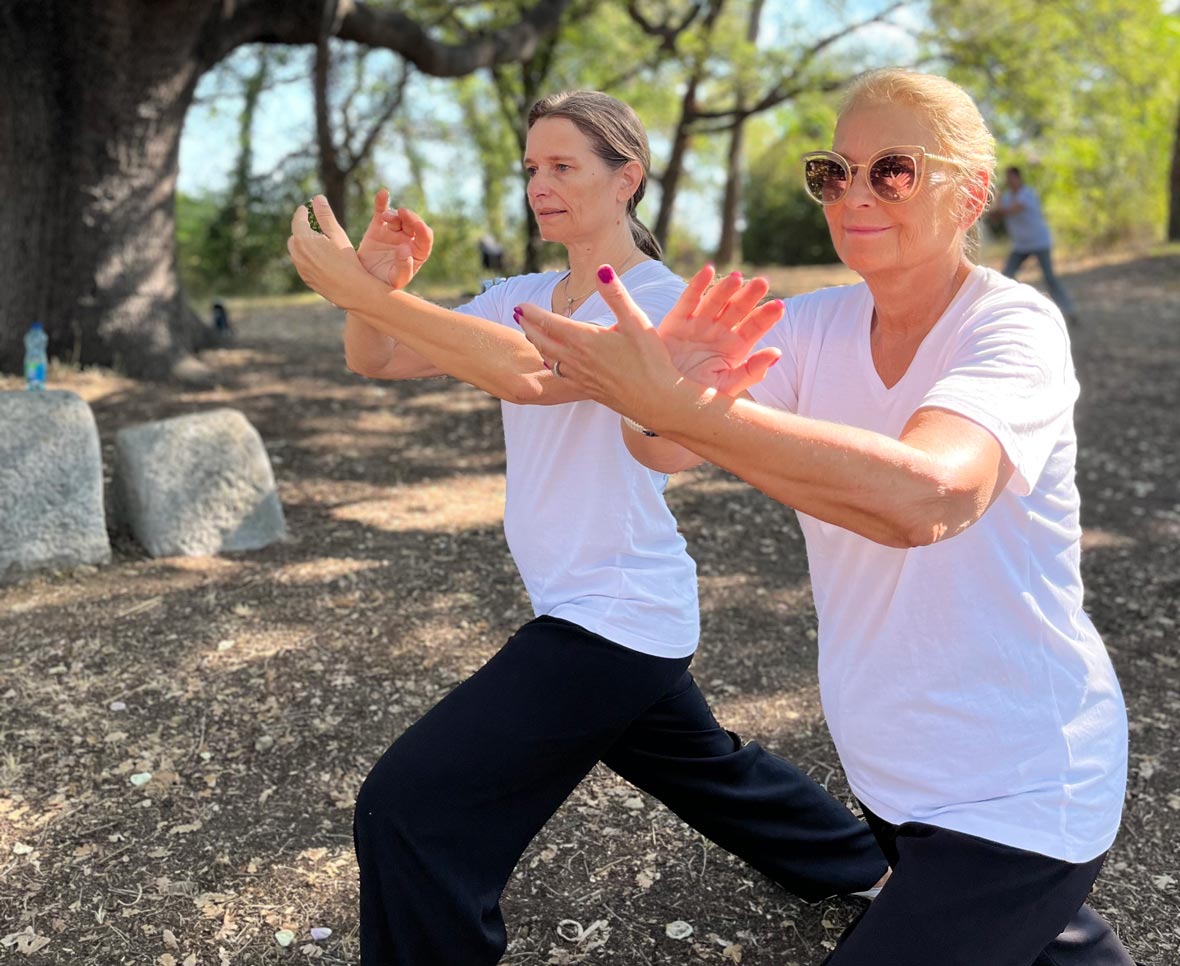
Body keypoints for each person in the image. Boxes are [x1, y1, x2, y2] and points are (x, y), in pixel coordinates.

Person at [515, 69, 1133, 966]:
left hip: (1022, 786)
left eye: (892, 170)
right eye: (832, 173)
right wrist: (664, 391)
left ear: (973, 195)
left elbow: (930, 497)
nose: (854, 194)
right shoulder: (810, 326)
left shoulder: (1013, 329)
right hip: (894, 770)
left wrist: (687, 408)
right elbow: (666, 451)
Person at [287, 90, 887, 966]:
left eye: (564, 166)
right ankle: (869, 869)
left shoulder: (654, 303)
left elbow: (533, 372)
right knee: (713, 774)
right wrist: (374, 291)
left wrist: (352, 284)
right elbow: (376, 357)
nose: (541, 184)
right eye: (532, 168)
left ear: (626, 178)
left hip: (615, 613)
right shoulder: (522, 291)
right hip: (598, 607)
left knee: (411, 806)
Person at [991, 165, 1078, 325]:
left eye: (1012, 178)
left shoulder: (1028, 194)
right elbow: (996, 217)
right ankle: (1012, 312)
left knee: (1050, 278)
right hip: (1021, 245)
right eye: (1008, 178)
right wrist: (997, 201)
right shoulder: (1007, 197)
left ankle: (1069, 309)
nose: (1010, 181)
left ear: (1019, 178)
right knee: (1007, 276)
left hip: (1039, 242)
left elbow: (1013, 210)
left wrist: (997, 203)